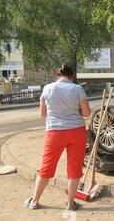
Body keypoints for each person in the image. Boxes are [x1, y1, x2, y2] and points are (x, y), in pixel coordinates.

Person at [24, 64, 91, 211]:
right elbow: (87, 113)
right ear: (71, 76)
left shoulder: (47, 88)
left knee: (47, 166)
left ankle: (34, 201)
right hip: (76, 131)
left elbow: (43, 114)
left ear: (57, 75)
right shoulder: (77, 89)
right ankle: (70, 204)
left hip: (54, 132)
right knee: (74, 168)